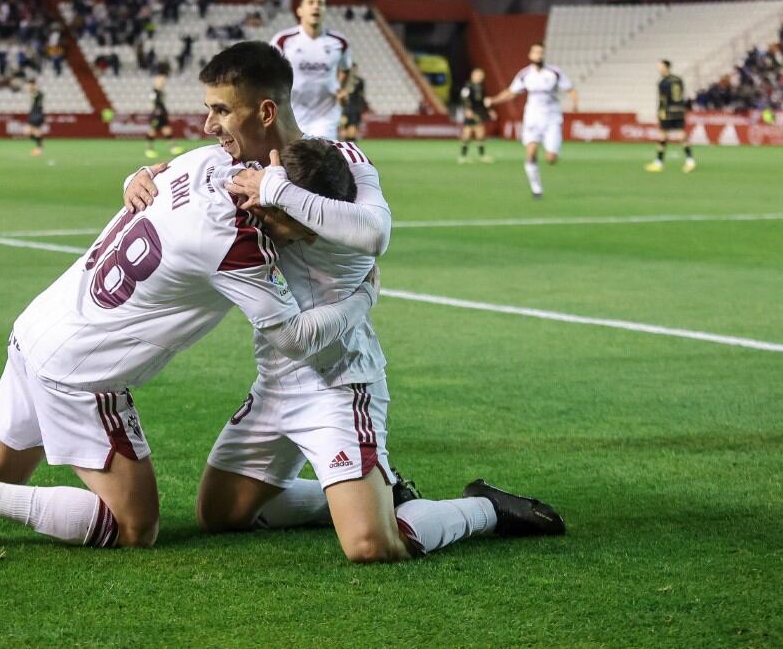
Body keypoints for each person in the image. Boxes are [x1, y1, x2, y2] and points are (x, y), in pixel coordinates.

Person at [0, 132, 378, 551]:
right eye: (297, 223)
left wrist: (133, 176)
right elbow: (294, 338)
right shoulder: (243, 244)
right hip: (82, 368)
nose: (295, 237)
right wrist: (362, 297)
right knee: (135, 526)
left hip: (41, 323)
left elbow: (149, 179)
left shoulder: (198, 164)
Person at [125, 41, 565, 563]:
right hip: (274, 381)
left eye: (220, 110)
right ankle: (380, 491)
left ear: (265, 111)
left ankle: (484, 508)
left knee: (370, 545)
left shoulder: (343, 161)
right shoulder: (233, 165)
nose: (209, 125)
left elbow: (375, 233)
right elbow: (167, 175)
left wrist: (278, 190)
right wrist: (137, 177)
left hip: (338, 381)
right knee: (220, 515)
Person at [485, 44, 577, 199]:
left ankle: (553, 153)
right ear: (530, 55)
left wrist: (574, 102)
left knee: (551, 159)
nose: (538, 55)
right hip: (532, 118)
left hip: (552, 118)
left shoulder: (554, 72)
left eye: (541, 52)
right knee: (531, 152)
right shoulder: (525, 74)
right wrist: (494, 100)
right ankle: (536, 189)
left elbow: (570, 89)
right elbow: (511, 92)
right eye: (535, 52)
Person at [270, 0, 352, 140]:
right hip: (291, 112)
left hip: (325, 114)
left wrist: (342, 89)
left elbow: (346, 69)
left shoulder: (339, 42)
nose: (316, 6)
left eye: (320, 3)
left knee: (321, 157)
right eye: (311, 3)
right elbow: (268, 71)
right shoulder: (283, 40)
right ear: (300, 11)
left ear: (325, 10)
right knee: (291, 159)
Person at [646, 60, 695, 173]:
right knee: (681, 135)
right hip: (679, 110)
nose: (659, 69)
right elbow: (683, 94)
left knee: (662, 135)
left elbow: (662, 99)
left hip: (668, 111)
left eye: (660, 66)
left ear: (666, 67)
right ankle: (690, 160)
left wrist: (660, 114)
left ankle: (659, 163)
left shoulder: (663, 82)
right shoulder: (678, 79)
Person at [458, 68, 495, 164]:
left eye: (481, 76)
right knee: (468, 132)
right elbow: (464, 98)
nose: (480, 77)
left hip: (480, 112)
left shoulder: (481, 87)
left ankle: (481, 155)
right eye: (478, 75)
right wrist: (467, 109)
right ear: (473, 75)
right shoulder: (467, 86)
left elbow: (484, 101)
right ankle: (463, 156)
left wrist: (490, 110)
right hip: (471, 112)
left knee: (480, 133)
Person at [144, 73, 183, 159]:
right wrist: (155, 112)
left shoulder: (161, 91)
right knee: (152, 131)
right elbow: (152, 102)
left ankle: (173, 148)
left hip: (162, 114)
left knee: (167, 130)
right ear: (156, 81)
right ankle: (149, 149)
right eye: (161, 80)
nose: (163, 81)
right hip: (156, 115)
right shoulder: (154, 91)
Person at [339, 65, 367, 142]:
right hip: (345, 109)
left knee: (352, 130)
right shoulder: (343, 80)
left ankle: (351, 148)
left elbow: (362, 96)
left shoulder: (360, 81)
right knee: (343, 130)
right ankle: (344, 148)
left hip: (355, 109)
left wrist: (363, 109)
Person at [25, 79, 46, 157]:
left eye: (30, 85)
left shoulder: (38, 93)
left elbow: (39, 95)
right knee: (27, 132)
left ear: (33, 85)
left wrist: (34, 89)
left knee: (36, 130)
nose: (28, 87)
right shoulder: (33, 93)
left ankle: (39, 148)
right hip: (32, 114)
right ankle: (40, 141)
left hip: (37, 114)